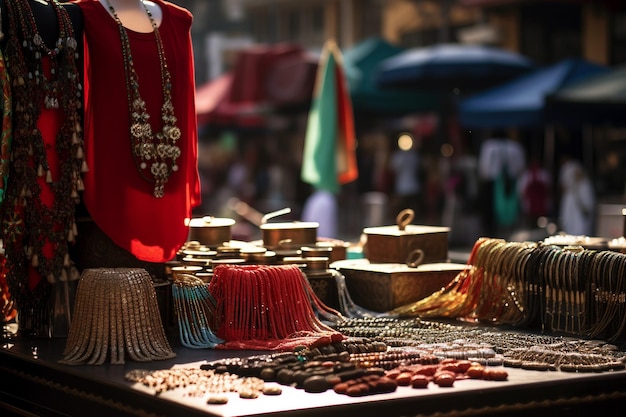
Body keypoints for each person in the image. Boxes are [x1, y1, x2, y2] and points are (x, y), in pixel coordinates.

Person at [75, 0, 199, 271]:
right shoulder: (81, 16)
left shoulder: (179, 21)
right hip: (105, 204)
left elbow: (187, 110)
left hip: (164, 201)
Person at [0, 0, 85, 335]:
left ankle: (44, 312)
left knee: (55, 216)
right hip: (24, 145)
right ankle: (29, 308)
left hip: (59, 147)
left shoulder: (73, 16)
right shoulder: (10, 10)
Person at [558, 155, 594, 236]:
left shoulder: (585, 185)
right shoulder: (569, 194)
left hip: (582, 221)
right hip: (572, 214)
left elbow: (588, 205)